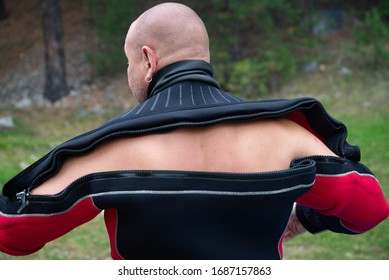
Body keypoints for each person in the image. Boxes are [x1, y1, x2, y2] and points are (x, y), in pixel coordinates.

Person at [0, 2, 388, 260]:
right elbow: (370, 210)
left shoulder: (109, 153)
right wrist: (303, 217)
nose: (129, 74)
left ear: (148, 60)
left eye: (129, 63)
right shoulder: (286, 138)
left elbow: (15, 232)